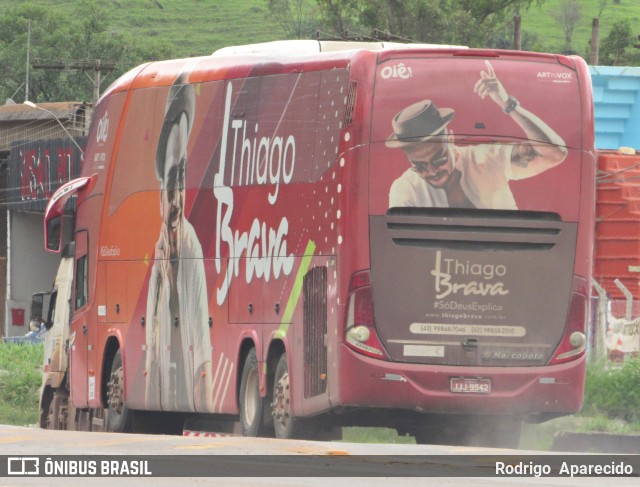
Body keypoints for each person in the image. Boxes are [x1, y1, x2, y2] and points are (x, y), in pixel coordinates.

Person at [386, 60, 568, 209]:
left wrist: (508, 104)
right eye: (420, 166)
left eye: (439, 160)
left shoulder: (487, 158)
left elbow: (555, 153)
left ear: (450, 139)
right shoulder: (405, 189)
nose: (431, 171)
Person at [145, 69, 213, 413]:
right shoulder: (158, 253)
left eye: (182, 177)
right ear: (160, 191)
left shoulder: (191, 248)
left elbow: (201, 342)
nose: (176, 197)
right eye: (171, 181)